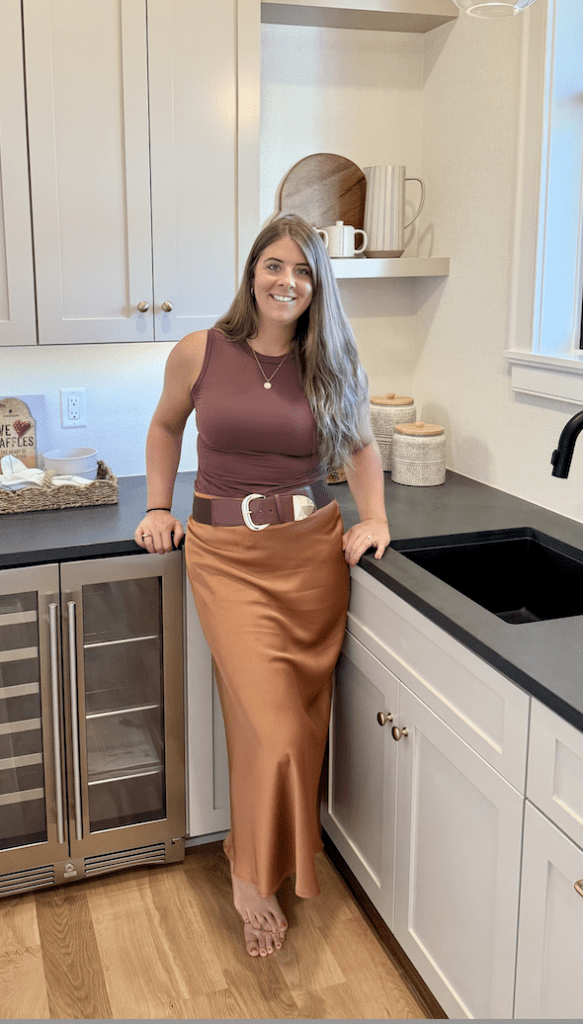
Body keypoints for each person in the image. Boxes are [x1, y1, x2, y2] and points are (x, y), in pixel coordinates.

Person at [134, 213, 390, 958]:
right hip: (225, 557)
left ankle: (256, 862)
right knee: (272, 726)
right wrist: (157, 506)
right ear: (252, 272)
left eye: (303, 272)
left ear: (318, 287)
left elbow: (363, 446)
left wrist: (372, 518)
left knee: (290, 730)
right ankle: (252, 880)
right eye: (275, 266)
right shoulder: (200, 352)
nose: (287, 282)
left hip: (310, 558)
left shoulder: (332, 359)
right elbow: (163, 428)